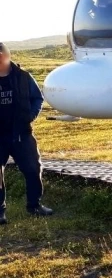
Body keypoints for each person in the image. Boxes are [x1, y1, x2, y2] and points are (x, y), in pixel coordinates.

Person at [0, 42, 53, 225]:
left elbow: (37, 98)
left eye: (1, 56)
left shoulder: (24, 77)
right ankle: (0, 212)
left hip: (21, 133)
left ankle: (35, 205)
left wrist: (31, 116)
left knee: (33, 169)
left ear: (7, 56)